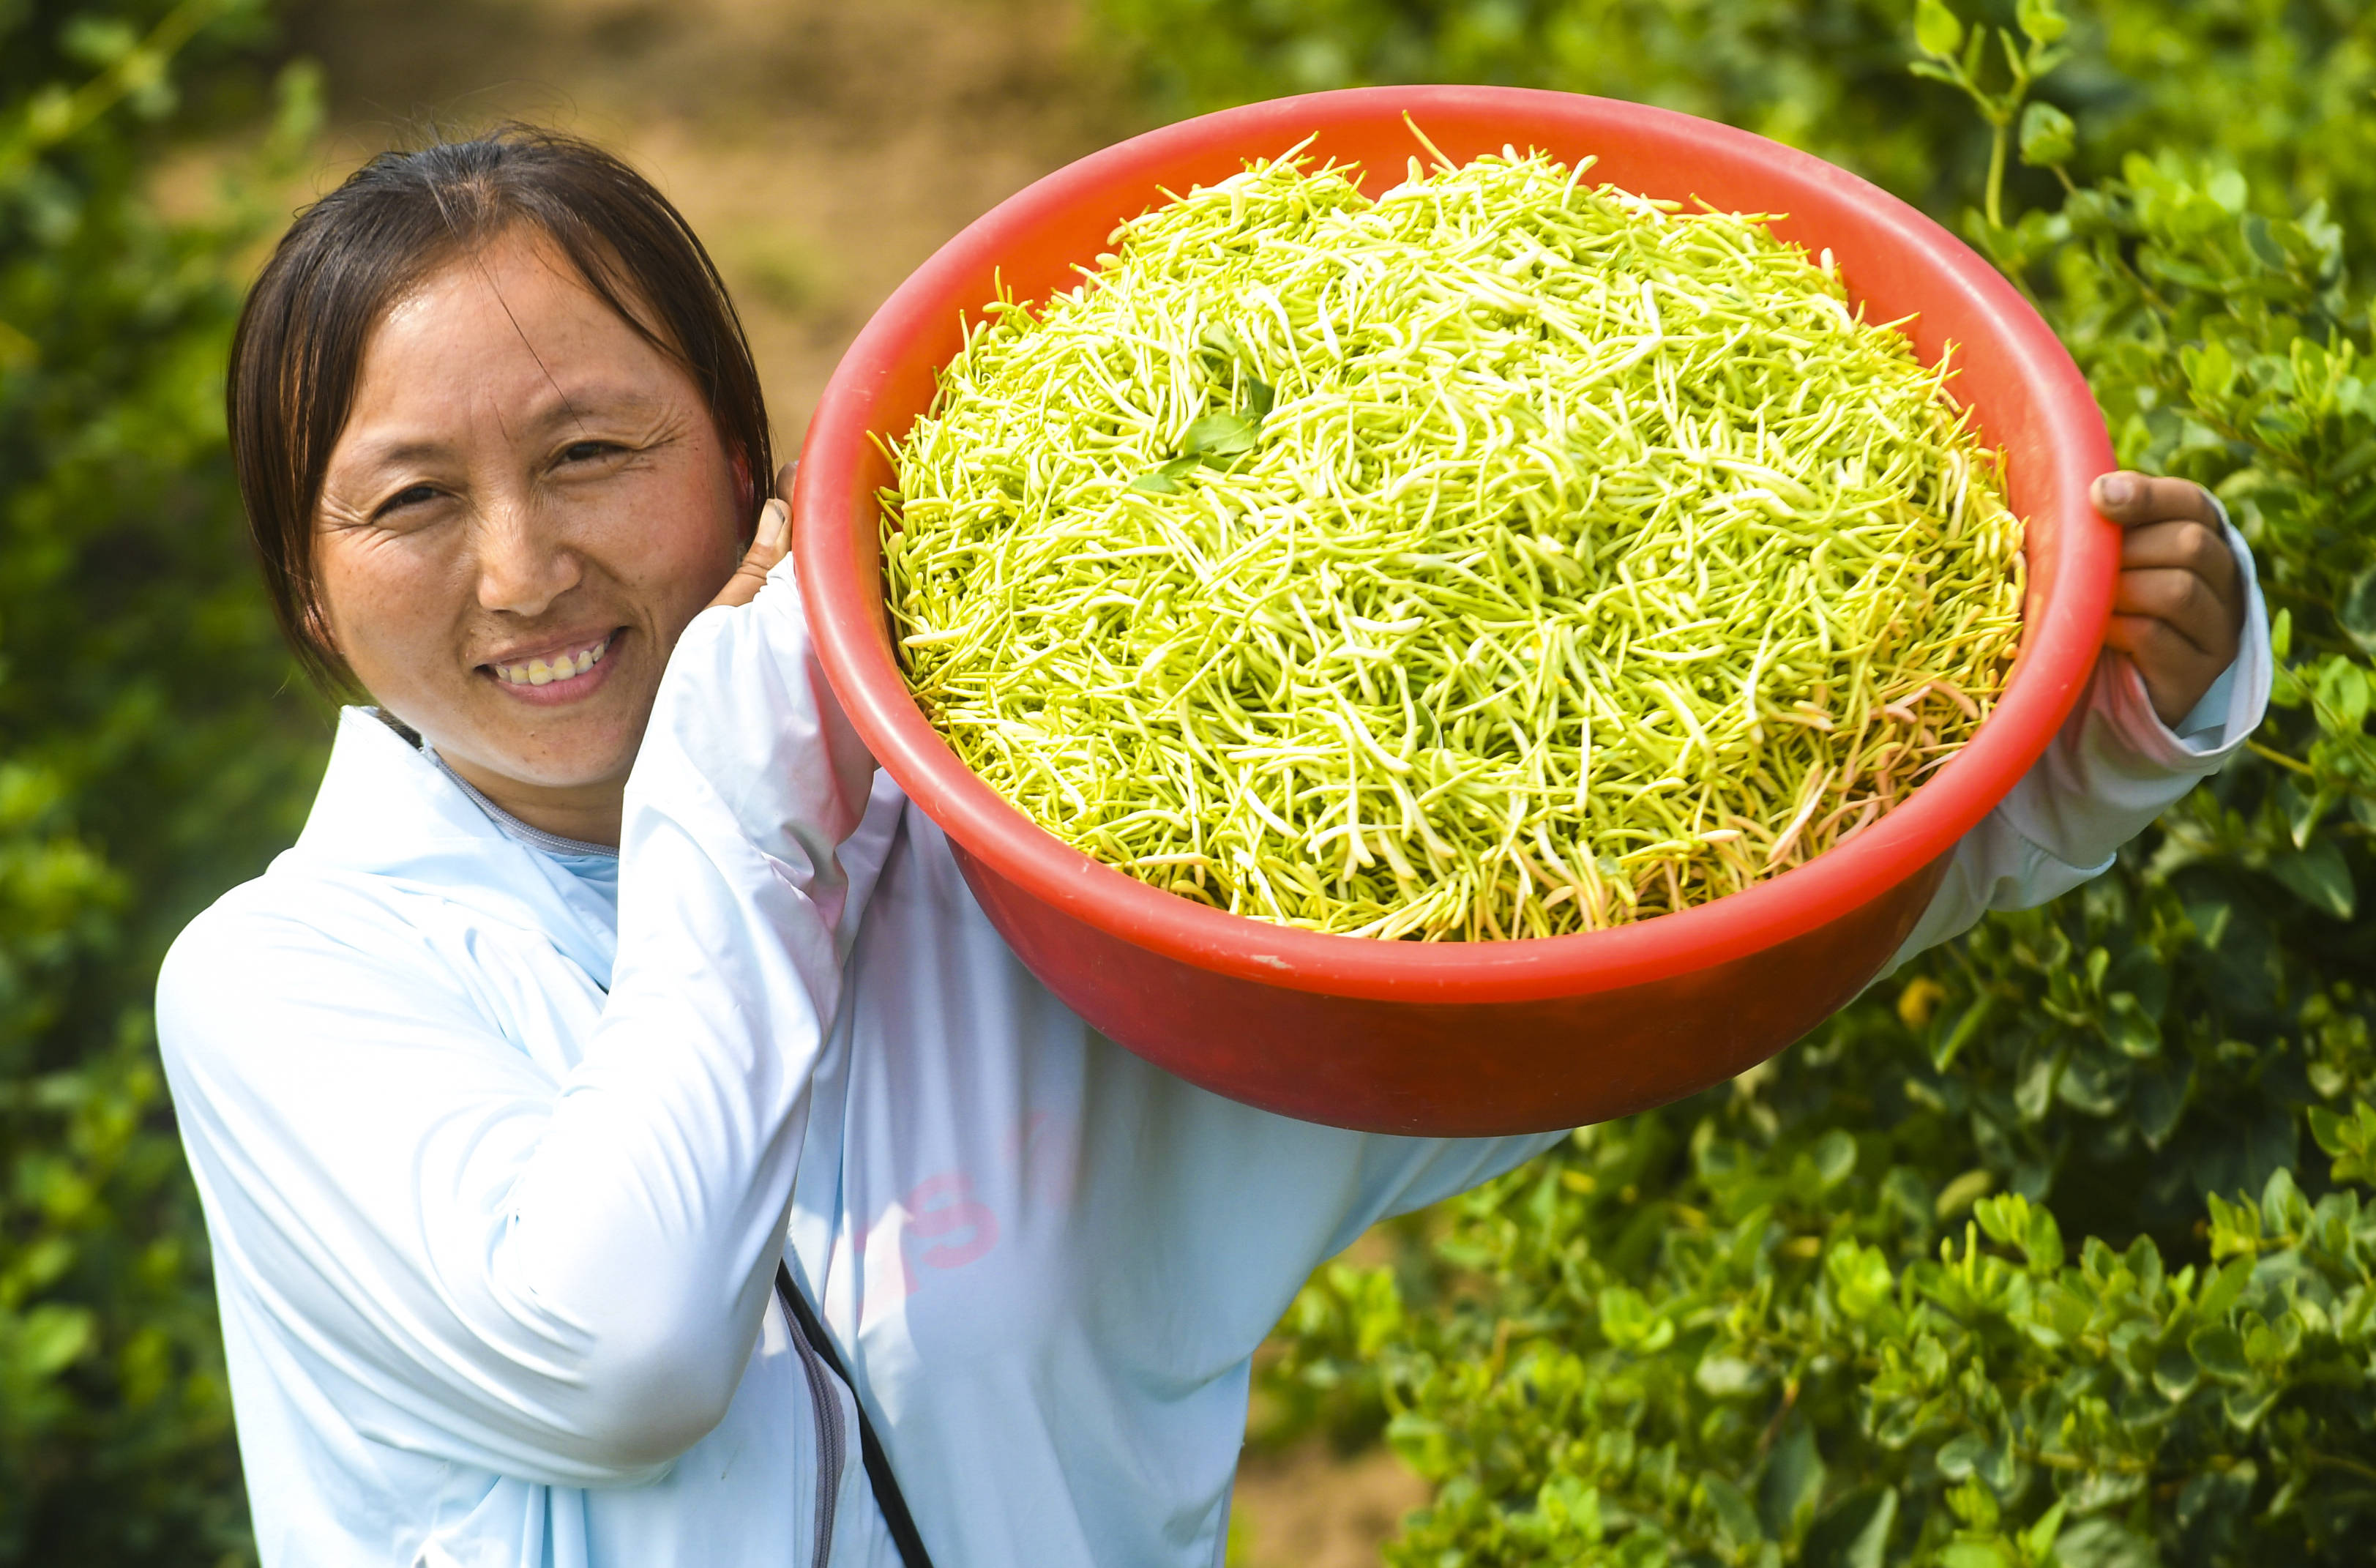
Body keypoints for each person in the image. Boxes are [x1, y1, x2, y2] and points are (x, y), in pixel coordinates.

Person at [157, 127, 2270, 1568]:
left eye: (595, 452)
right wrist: (739, 768)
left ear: (749, 469)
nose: (526, 566)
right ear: (311, 589)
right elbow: (619, 1348)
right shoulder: (289, 990)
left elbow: (1658, 939)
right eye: (412, 502)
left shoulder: (1030, 888)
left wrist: (2084, 736)